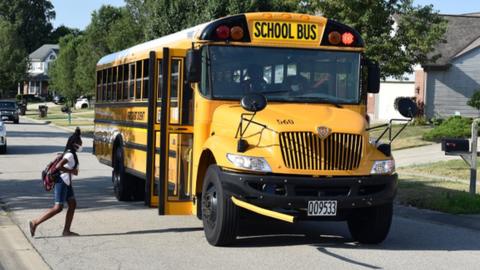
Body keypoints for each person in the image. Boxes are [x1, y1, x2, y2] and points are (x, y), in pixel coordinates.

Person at [29, 127, 83, 237]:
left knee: (72, 204)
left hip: (66, 183)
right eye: (79, 143)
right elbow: (59, 166)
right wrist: (72, 171)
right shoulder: (70, 154)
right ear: (74, 144)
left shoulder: (70, 153)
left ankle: (66, 231)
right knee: (58, 208)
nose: (81, 145)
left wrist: (70, 176)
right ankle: (35, 222)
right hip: (61, 182)